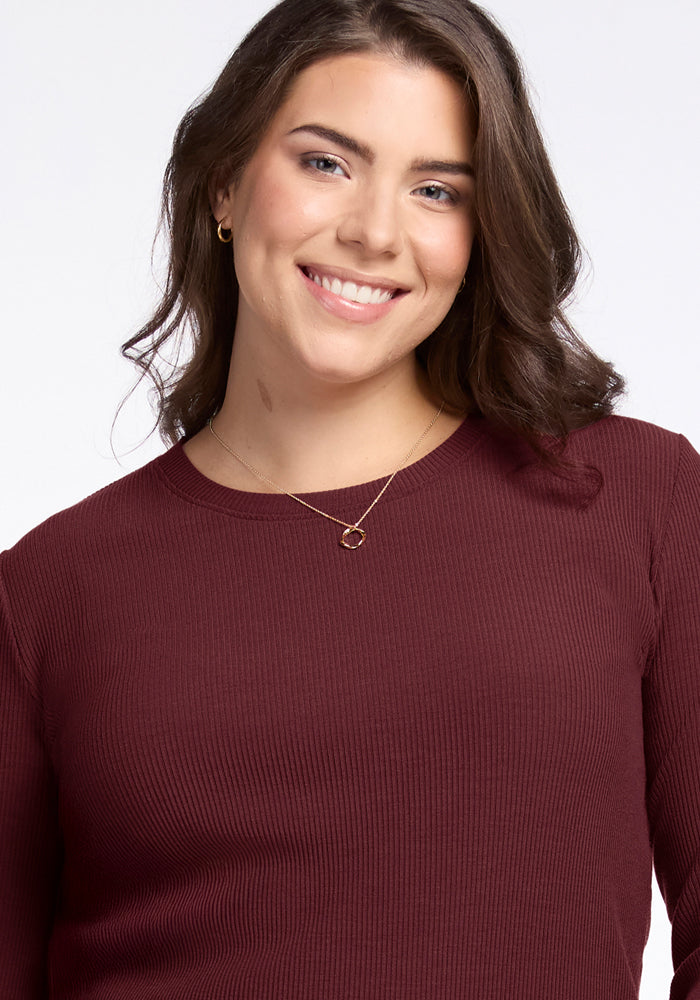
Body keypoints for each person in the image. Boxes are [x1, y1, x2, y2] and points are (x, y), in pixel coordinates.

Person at [1, 0, 698, 996]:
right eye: (326, 162)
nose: (375, 232)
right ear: (224, 184)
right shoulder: (47, 591)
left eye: (436, 190)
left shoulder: (636, 501)